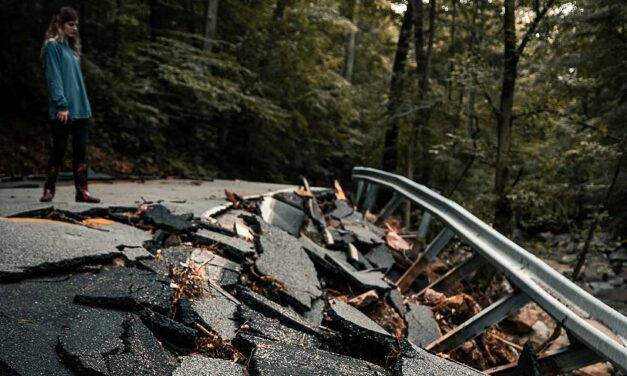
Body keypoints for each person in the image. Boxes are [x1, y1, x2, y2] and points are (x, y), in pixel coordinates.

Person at [40, 6, 100, 203]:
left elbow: (76, 81)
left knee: (80, 151)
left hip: (80, 108)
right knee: (58, 149)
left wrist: (82, 106)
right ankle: (49, 188)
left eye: (76, 25)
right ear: (60, 24)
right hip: (63, 109)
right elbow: (53, 78)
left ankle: (82, 191)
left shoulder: (72, 49)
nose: (75, 28)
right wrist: (61, 104)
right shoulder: (52, 46)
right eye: (71, 24)